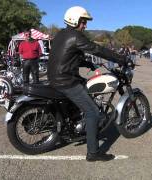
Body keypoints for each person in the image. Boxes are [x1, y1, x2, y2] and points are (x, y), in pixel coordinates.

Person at [48, 6, 126, 162]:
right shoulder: (76, 36)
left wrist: (86, 64)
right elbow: (97, 49)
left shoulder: (61, 35)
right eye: (83, 21)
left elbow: (67, 55)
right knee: (93, 112)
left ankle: (78, 122)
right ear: (75, 20)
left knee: (87, 85)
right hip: (66, 81)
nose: (85, 25)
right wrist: (121, 59)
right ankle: (93, 153)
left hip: (57, 77)